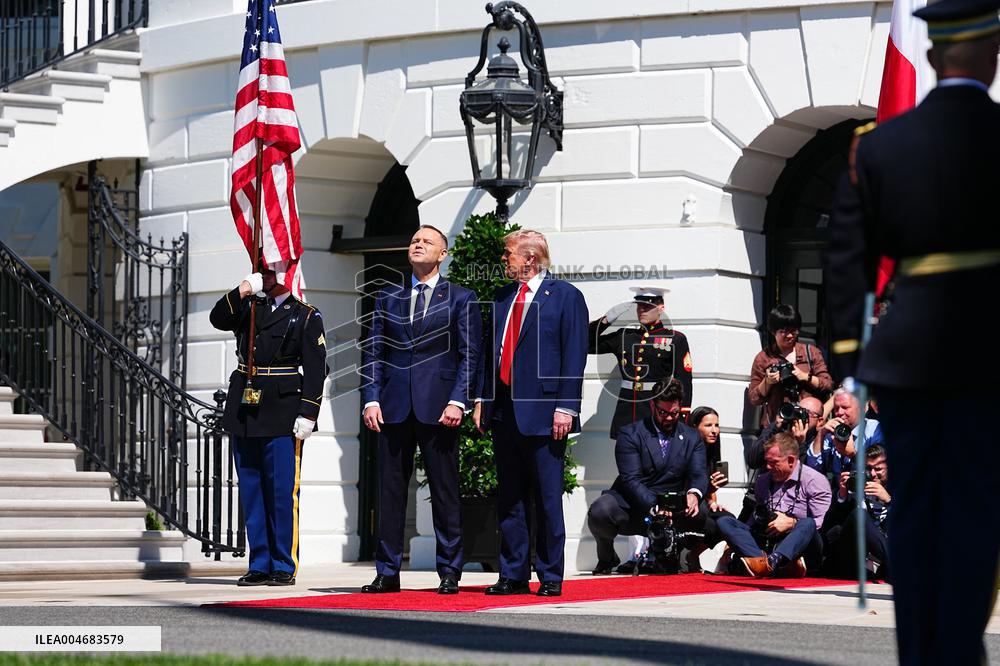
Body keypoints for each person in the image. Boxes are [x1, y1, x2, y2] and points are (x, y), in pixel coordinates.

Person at [826, 0, 1000, 660]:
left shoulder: (881, 144)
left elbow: (847, 258)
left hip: (910, 357)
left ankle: (920, 654)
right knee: (975, 507)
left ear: (930, 58)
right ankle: (957, 649)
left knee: (919, 508)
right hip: (987, 350)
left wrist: (847, 355)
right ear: (991, 55)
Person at [358, 225, 481, 595]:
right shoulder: (388, 297)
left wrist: (459, 400)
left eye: (426, 241)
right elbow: (373, 351)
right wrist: (371, 397)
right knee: (391, 493)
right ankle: (387, 571)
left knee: (445, 492)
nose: (417, 244)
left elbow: (469, 354)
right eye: (413, 240)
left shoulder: (461, 297)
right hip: (393, 407)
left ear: (443, 254)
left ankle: (449, 571)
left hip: (440, 408)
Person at [474, 229, 588, 597]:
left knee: (547, 497)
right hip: (504, 412)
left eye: (508, 253)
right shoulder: (504, 297)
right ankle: (513, 574)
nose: (503, 259)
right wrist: (482, 400)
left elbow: (574, 355)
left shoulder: (566, 297)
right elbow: (491, 354)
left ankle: (551, 574)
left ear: (530, 258)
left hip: (545, 412)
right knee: (510, 497)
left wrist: (566, 407)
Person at [209, 266, 326, 587]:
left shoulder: (305, 316)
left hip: (283, 409)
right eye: (263, 269)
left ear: (289, 272)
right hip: (246, 407)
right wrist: (243, 288)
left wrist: (309, 412)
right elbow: (217, 318)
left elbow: (317, 369)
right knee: (251, 489)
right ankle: (259, 563)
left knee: (280, 492)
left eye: (274, 269)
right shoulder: (248, 306)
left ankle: (282, 564)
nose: (267, 274)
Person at [586, 379, 708, 575]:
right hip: (634, 504)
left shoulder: (692, 437)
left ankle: (675, 554)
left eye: (674, 413)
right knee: (600, 511)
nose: (669, 418)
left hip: (672, 506)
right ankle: (607, 556)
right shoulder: (630, 434)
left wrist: (694, 494)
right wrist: (656, 505)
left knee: (701, 511)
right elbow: (631, 479)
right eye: (663, 413)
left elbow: (699, 473)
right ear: (652, 405)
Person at [716, 432, 831, 578]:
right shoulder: (763, 481)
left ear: (791, 460)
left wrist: (792, 523)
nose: (768, 467)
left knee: (808, 523)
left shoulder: (815, 481)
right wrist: (734, 542)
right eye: (767, 462)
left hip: (801, 543)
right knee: (725, 522)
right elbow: (756, 516)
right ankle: (766, 563)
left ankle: (774, 561)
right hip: (768, 539)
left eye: (774, 462)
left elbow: (820, 524)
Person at [588, 287, 693, 439]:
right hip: (627, 410)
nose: (642, 310)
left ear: (660, 308)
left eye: (648, 306)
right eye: (639, 305)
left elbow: (684, 380)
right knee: (626, 459)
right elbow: (585, 344)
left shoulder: (674, 339)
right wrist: (605, 321)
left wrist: (682, 417)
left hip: (656, 410)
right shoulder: (625, 336)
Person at [748, 305, 833, 429]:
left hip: (808, 426)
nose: (789, 336)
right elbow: (754, 399)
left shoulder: (810, 353)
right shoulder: (763, 358)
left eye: (793, 331)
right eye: (784, 331)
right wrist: (767, 382)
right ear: (773, 332)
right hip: (777, 427)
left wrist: (805, 377)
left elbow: (828, 385)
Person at [741, 395, 824, 521]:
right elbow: (752, 460)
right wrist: (774, 429)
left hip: (792, 508)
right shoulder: (779, 429)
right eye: (798, 410)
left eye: (807, 413)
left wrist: (800, 444)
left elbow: (804, 476)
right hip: (764, 500)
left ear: (820, 421)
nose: (799, 416)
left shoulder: (818, 442)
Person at [824, 444, 891, 581]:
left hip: (876, 560)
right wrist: (842, 496)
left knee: (873, 565)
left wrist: (889, 501)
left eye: (878, 469)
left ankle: (888, 567)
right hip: (853, 556)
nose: (872, 474)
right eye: (868, 469)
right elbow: (830, 527)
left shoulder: (900, 489)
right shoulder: (854, 488)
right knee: (858, 514)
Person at [806, 388, 883, 496]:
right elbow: (813, 467)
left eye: (845, 407)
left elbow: (879, 471)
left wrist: (852, 454)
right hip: (839, 498)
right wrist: (821, 434)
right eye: (836, 408)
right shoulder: (831, 432)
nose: (839, 413)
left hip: (868, 498)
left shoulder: (874, 430)